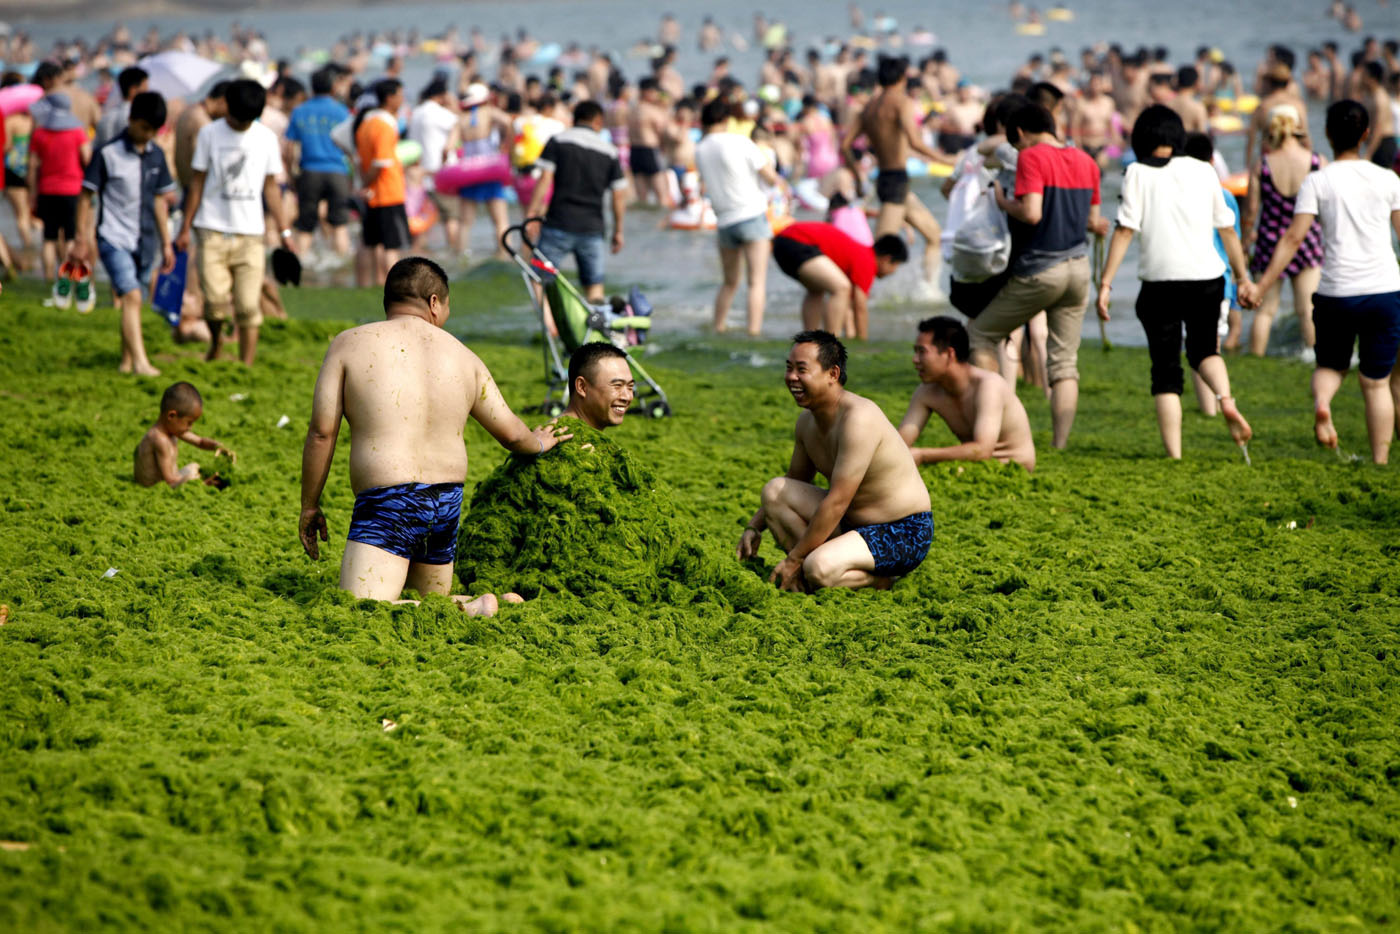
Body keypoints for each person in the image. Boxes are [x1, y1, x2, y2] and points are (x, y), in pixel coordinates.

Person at [299, 257, 569, 609]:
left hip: (389, 500)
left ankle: (473, 609)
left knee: (360, 608)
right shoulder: (465, 357)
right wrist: (540, 442)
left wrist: (310, 505)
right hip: (446, 502)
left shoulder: (349, 344)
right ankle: (490, 603)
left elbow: (322, 433)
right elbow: (513, 435)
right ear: (433, 302)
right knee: (428, 604)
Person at [1096, 105, 1255, 460]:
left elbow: (1125, 231)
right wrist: (1243, 278)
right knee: (1204, 352)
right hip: (1208, 279)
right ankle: (1226, 400)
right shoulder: (1204, 170)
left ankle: (1175, 454)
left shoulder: (1136, 173)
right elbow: (1227, 228)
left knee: (1166, 371)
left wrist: (1106, 284)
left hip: (1160, 284)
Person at [1249, 100, 1400, 464]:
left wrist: (1262, 285)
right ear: (1366, 135)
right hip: (1384, 290)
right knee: (1376, 383)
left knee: (1330, 367)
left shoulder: (1318, 180)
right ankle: (1379, 461)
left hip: (1336, 293)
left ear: (1328, 134)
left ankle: (1322, 403)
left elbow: (1292, 239)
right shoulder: (1389, 179)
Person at [737, 330, 933, 592]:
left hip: (902, 531)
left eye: (802, 369)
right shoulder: (807, 422)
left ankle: (881, 580)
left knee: (817, 568)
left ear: (833, 374)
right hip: (851, 526)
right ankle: (813, 572)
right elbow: (794, 481)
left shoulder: (859, 419)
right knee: (774, 492)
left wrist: (794, 558)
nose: (792, 377)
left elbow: (838, 500)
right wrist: (754, 527)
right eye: (789, 368)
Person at [967, 102, 1105, 449]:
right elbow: (1093, 221)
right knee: (1064, 364)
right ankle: (1059, 444)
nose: (1019, 151)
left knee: (980, 334)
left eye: (1016, 143)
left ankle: (995, 425)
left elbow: (1031, 213)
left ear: (1022, 133)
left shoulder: (1032, 156)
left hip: (1041, 270)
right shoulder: (1087, 161)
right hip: (1078, 269)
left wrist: (1001, 201)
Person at [175, 79, 295, 366]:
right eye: (236, 118)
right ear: (226, 106)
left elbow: (271, 188)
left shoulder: (265, 138)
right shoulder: (209, 134)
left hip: (251, 234)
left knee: (247, 306)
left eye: (246, 120)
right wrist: (184, 228)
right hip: (211, 230)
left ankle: (247, 365)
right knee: (215, 305)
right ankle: (216, 343)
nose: (240, 125)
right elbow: (197, 183)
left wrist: (284, 229)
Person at [73, 91, 177, 377]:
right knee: (131, 296)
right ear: (131, 119)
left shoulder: (157, 154)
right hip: (113, 237)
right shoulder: (107, 153)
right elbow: (86, 196)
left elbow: (159, 200)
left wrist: (167, 243)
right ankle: (142, 363)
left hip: (146, 241)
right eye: (144, 128)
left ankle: (126, 361)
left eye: (154, 130)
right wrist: (82, 239)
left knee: (135, 300)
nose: (148, 135)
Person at [845, 55, 945, 293]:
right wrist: (946, 159)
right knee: (877, 259)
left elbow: (845, 145)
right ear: (902, 78)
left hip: (887, 180)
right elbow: (915, 141)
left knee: (934, 236)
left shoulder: (868, 107)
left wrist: (858, 176)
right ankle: (847, 296)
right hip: (896, 181)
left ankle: (929, 291)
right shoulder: (901, 102)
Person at [897, 316, 1036, 471]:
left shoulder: (989, 386)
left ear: (950, 354)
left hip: (1013, 467)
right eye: (915, 352)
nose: (915, 360)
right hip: (971, 466)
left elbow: (982, 450)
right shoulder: (927, 392)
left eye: (922, 352)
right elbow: (899, 444)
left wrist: (923, 455)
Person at [693, 97, 782, 336]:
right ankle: (753, 332)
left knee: (730, 282)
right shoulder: (740, 141)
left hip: (724, 222)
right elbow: (770, 177)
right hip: (751, 215)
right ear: (725, 119)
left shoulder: (700, 149)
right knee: (756, 283)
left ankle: (718, 327)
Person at [526, 99, 628, 303]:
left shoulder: (558, 141)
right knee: (594, 286)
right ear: (598, 121)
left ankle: (550, 326)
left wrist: (532, 212)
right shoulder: (610, 151)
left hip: (558, 223)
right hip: (593, 229)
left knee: (538, 278)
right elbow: (618, 195)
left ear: (575, 119)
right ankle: (594, 328)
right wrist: (618, 230)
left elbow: (545, 179)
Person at [1243, 104, 1325, 357]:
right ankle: (1314, 358)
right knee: (1308, 310)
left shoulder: (1263, 164)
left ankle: (1256, 359)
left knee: (1265, 310)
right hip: (1307, 241)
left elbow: (1251, 211)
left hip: (1270, 241)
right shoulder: (1316, 161)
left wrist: (1246, 243)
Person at [771, 221, 908, 339]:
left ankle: (809, 340)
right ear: (887, 259)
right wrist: (863, 339)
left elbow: (849, 306)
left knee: (816, 290)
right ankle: (831, 343)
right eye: (895, 266)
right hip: (796, 241)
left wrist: (851, 333)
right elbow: (860, 307)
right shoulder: (867, 260)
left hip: (782, 242)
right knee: (842, 287)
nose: (893, 272)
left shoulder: (859, 253)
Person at [287, 65, 352, 259]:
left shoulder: (299, 111)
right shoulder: (342, 111)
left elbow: (290, 148)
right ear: (333, 87)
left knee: (305, 225)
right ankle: (341, 266)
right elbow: (349, 146)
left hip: (309, 171)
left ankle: (300, 266)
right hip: (337, 171)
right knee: (340, 224)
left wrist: (292, 173)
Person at [27, 91, 91, 289]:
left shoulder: (40, 133)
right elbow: (87, 158)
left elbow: (32, 166)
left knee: (49, 237)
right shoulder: (78, 132)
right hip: (72, 190)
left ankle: (48, 280)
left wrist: (32, 193)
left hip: (47, 190)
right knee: (70, 236)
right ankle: (68, 278)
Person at [353, 78, 410, 286]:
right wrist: (368, 183)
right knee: (391, 246)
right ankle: (394, 288)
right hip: (387, 191)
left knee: (367, 243)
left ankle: (362, 285)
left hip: (373, 194)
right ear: (390, 98)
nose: (403, 100)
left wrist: (364, 185)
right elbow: (380, 162)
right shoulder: (384, 125)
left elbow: (359, 160)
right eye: (400, 95)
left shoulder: (364, 123)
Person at [134, 381, 236, 488]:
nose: (190, 428)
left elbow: (200, 442)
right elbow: (170, 481)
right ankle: (204, 483)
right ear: (172, 416)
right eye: (189, 423)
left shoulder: (173, 429)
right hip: (155, 486)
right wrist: (201, 484)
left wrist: (218, 446)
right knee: (191, 475)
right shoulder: (160, 439)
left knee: (194, 467)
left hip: (170, 479)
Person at [407, 76, 460, 250]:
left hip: (420, 176)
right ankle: (455, 255)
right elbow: (453, 135)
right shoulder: (442, 114)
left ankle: (417, 257)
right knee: (451, 217)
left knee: (421, 221)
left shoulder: (416, 113)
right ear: (442, 95)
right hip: (441, 174)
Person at [561, 342, 634, 429]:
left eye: (630, 387)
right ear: (582, 387)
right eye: (617, 385)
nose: (627, 397)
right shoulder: (563, 439)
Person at [94, 66, 147, 149]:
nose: (147, 94)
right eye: (145, 89)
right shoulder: (139, 119)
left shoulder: (106, 117)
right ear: (133, 90)